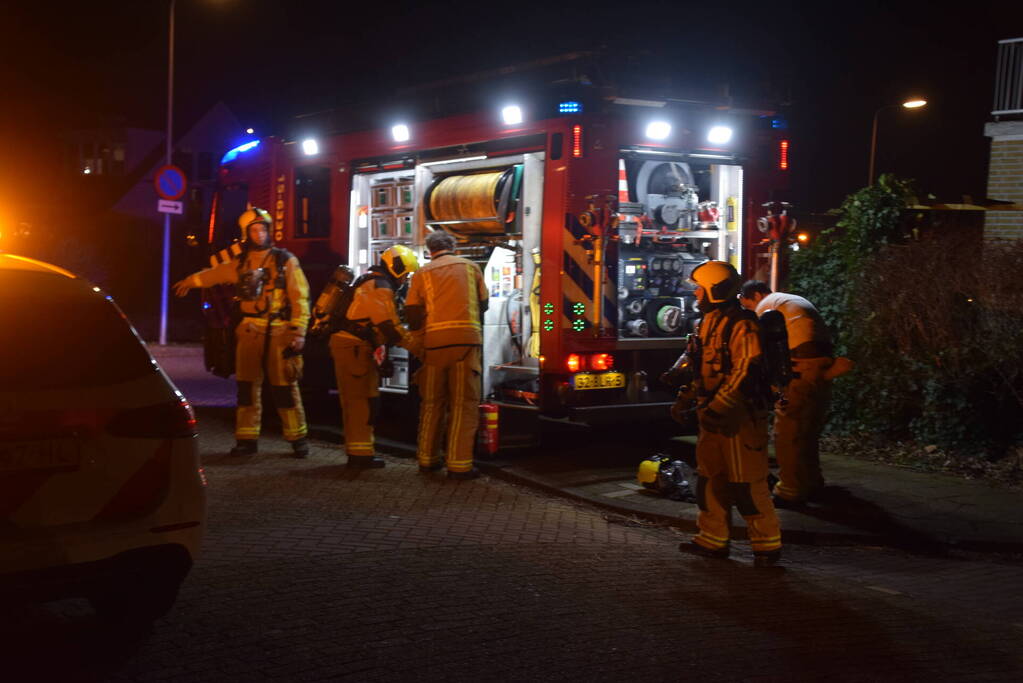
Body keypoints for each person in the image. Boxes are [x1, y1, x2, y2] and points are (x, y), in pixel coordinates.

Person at [174, 208, 311, 458]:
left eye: (263, 229)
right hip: (249, 331)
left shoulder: (285, 261)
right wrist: (189, 282)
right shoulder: (241, 263)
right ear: (246, 234)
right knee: (247, 388)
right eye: (255, 230)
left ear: (269, 230)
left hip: (279, 332)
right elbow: (213, 275)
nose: (260, 234)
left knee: (285, 387)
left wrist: (299, 331)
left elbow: (300, 297)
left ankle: (297, 437)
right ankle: (247, 439)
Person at [677, 261, 782, 567]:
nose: (695, 293)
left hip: (741, 418)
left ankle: (766, 546)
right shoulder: (705, 323)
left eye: (699, 288)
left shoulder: (743, 325)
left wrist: (719, 407)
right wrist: (686, 400)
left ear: (715, 290)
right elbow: (700, 369)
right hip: (712, 415)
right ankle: (711, 539)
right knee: (709, 479)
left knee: (746, 484)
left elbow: (745, 370)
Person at [739, 280, 834, 506]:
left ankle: (790, 490)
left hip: (800, 369)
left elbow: (758, 349)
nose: (752, 312)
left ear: (757, 295)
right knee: (808, 430)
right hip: (823, 367)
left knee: (787, 433)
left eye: (749, 306)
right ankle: (812, 481)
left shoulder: (767, 307)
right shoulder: (790, 300)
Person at [404, 230, 489, 480]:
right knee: (463, 405)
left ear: (430, 251)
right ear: (454, 246)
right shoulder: (471, 267)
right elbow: (484, 304)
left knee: (432, 404)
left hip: (434, 347)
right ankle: (459, 465)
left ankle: (427, 460)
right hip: (466, 345)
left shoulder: (421, 273)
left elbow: (412, 313)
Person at [329, 245, 420, 469]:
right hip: (354, 348)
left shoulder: (372, 281)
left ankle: (361, 453)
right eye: (406, 273)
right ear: (396, 268)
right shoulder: (380, 286)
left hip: (353, 346)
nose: (406, 278)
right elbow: (388, 326)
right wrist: (419, 348)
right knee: (360, 403)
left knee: (362, 401)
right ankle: (359, 456)